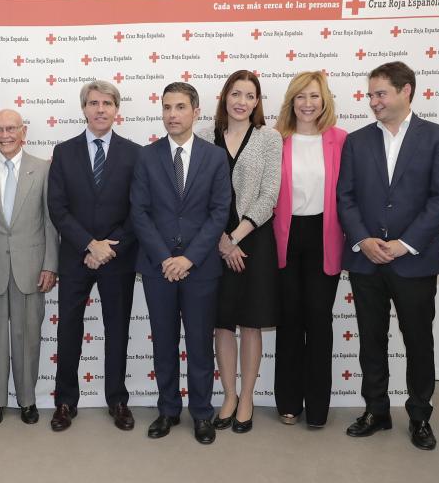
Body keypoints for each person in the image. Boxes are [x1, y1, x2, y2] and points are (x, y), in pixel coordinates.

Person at [337, 61, 439, 450]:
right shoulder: (355, 142)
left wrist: (405, 244)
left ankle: (420, 416)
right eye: (370, 94)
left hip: (415, 260)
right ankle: (376, 411)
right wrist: (363, 239)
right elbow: (346, 197)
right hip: (365, 259)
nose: (372, 101)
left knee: (418, 340)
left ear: (406, 91)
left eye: (380, 93)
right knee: (371, 339)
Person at [131, 82, 231, 444]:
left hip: (201, 268)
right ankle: (168, 410)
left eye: (179, 107)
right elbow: (139, 213)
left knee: (200, 344)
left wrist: (188, 258)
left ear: (195, 112)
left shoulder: (215, 157)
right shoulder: (146, 156)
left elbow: (220, 212)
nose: (172, 115)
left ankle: (201, 413)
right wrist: (165, 258)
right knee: (164, 344)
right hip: (158, 268)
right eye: (166, 107)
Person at [48, 80, 141, 432]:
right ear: (83, 108)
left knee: (117, 329)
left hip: (118, 259)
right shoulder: (64, 151)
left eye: (107, 103)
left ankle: (117, 399)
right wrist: (90, 245)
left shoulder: (135, 153)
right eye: (93, 103)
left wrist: (108, 248)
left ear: (117, 109)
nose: (100, 109)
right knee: (68, 329)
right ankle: (65, 402)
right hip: (75, 257)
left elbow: (138, 210)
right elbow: (57, 208)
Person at [0, 109, 58, 425]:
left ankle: (27, 401)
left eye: (11, 129)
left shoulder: (43, 170)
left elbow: (50, 220)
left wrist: (50, 264)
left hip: (31, 268)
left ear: (24, 131)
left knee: (27, 337)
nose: (5, 135)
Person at [272, 71, 347, 428]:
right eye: (300, 97)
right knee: (289, 321)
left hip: (325, 236)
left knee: (319, 321)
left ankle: (317, 407)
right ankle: (288, 402)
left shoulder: (341, 140)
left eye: (314, 96)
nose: (307, 104)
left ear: (325, 101)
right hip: (284, 238)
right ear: (291, 102)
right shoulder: (275, 141)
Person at [211, 70, 282, 434]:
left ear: (257, 102)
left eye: (249, 95)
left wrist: (236, 237)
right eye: (235, 94)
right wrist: (222, 241)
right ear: (225, 98)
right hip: (214, 243)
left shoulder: (269, 138)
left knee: (251, 322)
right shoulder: (207, 138)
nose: (241, 101)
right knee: (222, 323)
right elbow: (200, 198)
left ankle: (248, 397)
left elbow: (270, 194)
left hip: (253, 241)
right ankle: (228, 395)